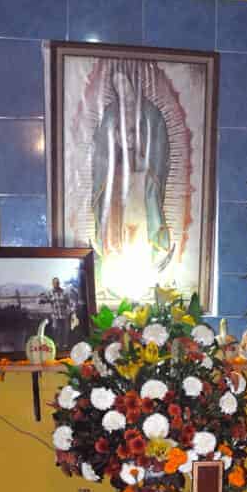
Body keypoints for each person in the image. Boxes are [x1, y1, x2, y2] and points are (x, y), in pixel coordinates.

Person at [90, 66, 174, 275]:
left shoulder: (150, 113)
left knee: (141, 219)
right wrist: (118, 144)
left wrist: (138, 145)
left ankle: (145, 261)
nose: (121, 89)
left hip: (141, 178)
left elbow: (157, 146)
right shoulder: (110, 113)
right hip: (118, 178)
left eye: (124, 83)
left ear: (133, 83)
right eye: (117, 85)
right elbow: (102, 148)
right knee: (116, 219)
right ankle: (115, 262)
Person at [40, 277, 76, 352]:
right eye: (54, 283)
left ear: (59, 283)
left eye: (57, 283)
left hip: (64, 315)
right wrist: (41, 299)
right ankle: (57, 346)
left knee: (65, 331)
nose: (56, 284)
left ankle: (65, 346)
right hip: (55, 316)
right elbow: (44, 300)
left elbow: (71, 302)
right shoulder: (50, 293)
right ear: (52, 284)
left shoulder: (64, 292)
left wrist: (72, 311)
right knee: (56, 330)